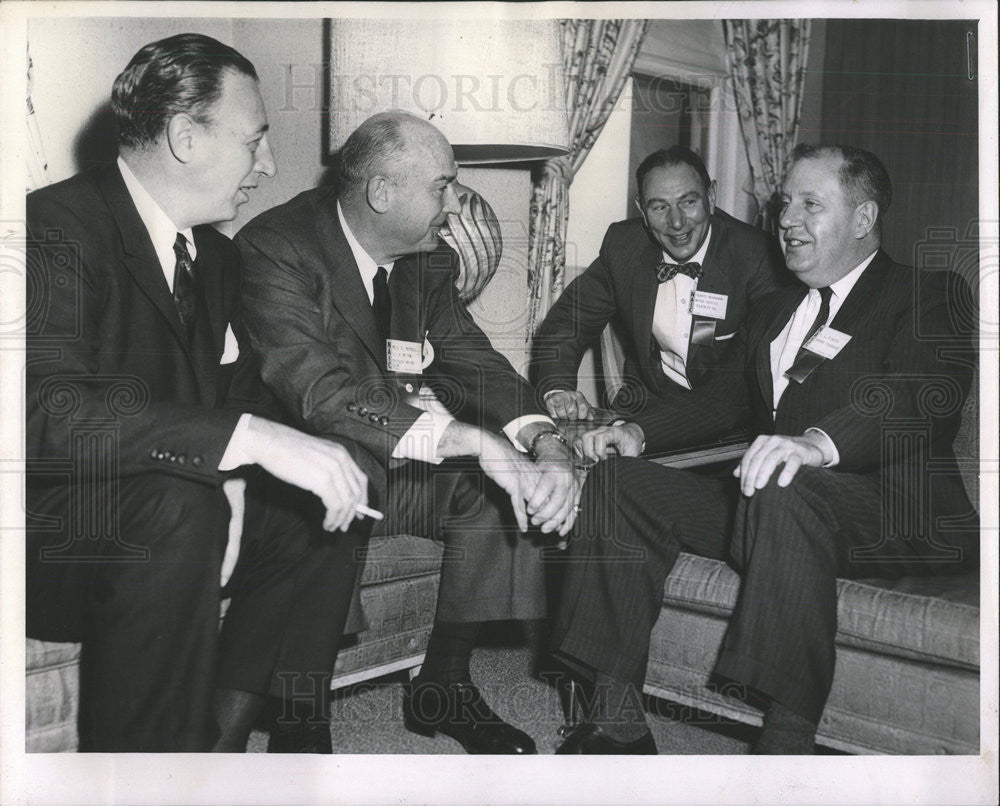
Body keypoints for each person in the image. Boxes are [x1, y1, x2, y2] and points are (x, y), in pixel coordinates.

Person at [550, 144, 978, 754]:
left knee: (784, 484)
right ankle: (616, 719)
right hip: (783, 509)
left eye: (810, 204)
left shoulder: (928, 292)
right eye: (784, 204)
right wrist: (640, 433)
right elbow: (726, 396)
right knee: (623, 482)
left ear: (863, 218)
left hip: (895, 513)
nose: (787, 220)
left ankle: (784, 751)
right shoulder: (778, 308)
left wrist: (815, 443)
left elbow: (914, 395)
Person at [26, 33, 380, 753]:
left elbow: (238, 394)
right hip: (51, 531)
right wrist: (238, 446)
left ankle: (247, 740)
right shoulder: (53, 228)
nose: (271, 166)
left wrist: (284, 452)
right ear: (186, 137)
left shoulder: (213, 256)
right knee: (179, 505)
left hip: (163, 506)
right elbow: (43, 418)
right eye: (256, 141)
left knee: (332, 486)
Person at [235, 110, 579, 755]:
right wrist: (469, 439)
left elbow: (471, 358)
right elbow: (319, 393)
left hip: (396, 464)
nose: (453, 207)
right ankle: (299, 712)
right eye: (442, 187)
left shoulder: (426, 263)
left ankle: (442, 685)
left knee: (492, 490)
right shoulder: (277, 248)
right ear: (383, 192)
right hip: (299, 477)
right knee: (345, 477)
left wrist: (544, 441)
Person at [530, 146, 785, 456]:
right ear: (641, 209)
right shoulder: (624, 246)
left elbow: (750, 382)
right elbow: (568, 322)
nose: (676, 222)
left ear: (712, 196)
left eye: (688, 202)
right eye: (659, 207)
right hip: (646, 411)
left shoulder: (758, 257)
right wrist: (558, 390)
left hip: (732, 433)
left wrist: (644, 432)